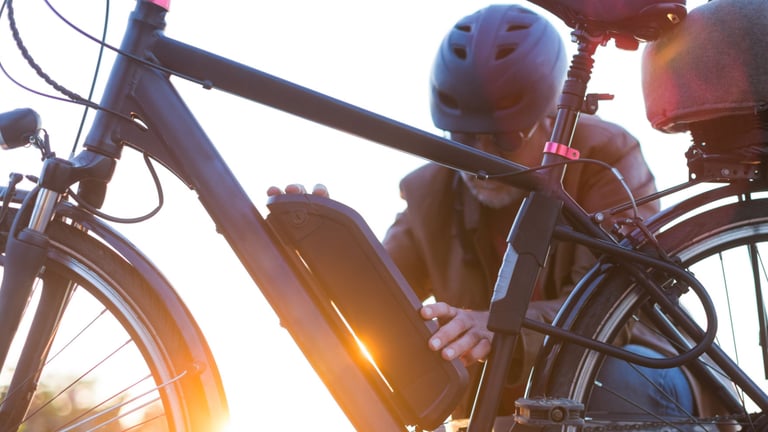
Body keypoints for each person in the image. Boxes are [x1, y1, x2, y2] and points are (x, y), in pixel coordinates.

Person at [268, 3, 693, 422]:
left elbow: (609, 308)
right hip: (509, 409)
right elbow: (380, 297)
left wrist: (498, 325)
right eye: (462, 139)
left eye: (504, 139)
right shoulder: (429, 190)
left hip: (637, 377)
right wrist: (322, 252)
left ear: (551, 116)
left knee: (608, 382)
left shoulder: (606, 159)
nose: (480, 160)